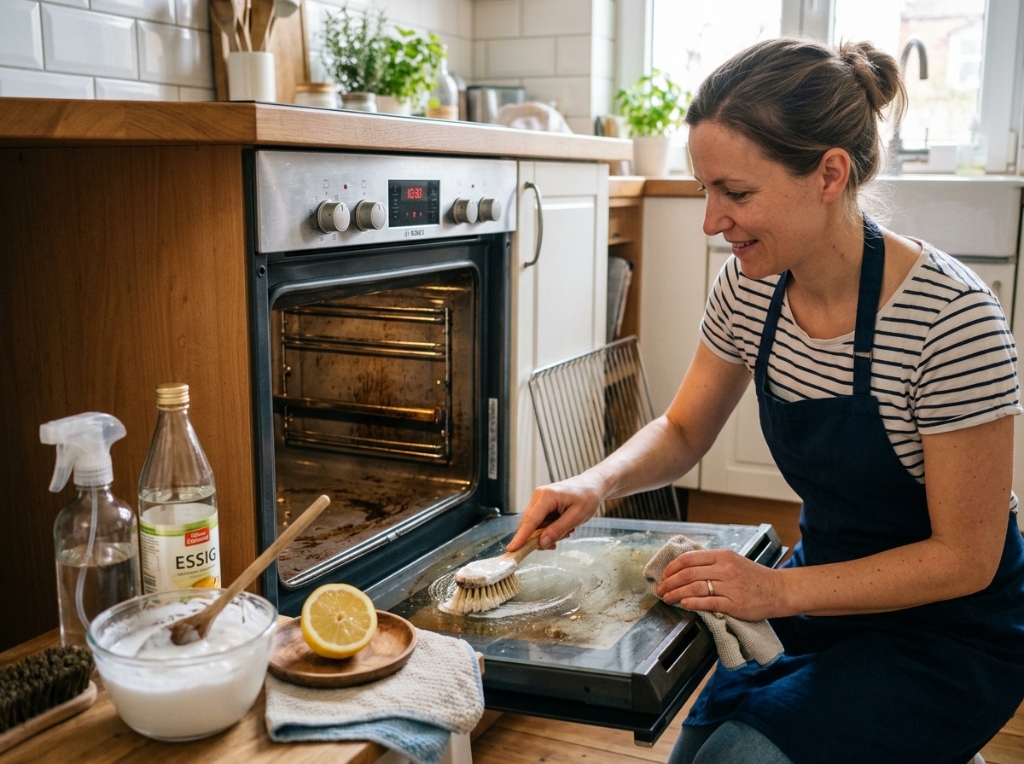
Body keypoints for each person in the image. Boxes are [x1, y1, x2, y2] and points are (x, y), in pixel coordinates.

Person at [507, 37, 1024, 764]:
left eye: (737, 193)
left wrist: (774, 593)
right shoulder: (750, 290)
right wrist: (593, 484)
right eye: (704, 190)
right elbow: (684, 428)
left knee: (738, 758)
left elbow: (967, 558)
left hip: (949, 629)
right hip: (822, 589)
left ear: (829, 174)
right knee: (696, 754)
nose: (711, 221)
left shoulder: (951, 317)